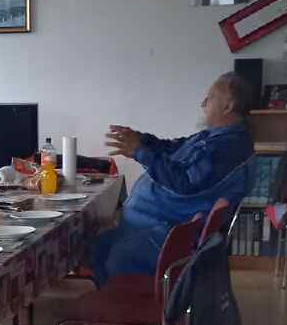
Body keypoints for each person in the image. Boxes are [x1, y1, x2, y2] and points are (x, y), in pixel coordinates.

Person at [91, 73, 254, 284]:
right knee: (96, 247)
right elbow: (172, 148)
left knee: (118, 257)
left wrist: (140, 151)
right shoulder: (216, 136)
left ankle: (133, 301)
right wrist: (141, 140)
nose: (203, 103)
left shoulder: (229, 147)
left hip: (172, 229)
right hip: (152, 221)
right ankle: (115, 299)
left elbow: (184, 182)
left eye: (211, 97)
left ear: (228, 106)